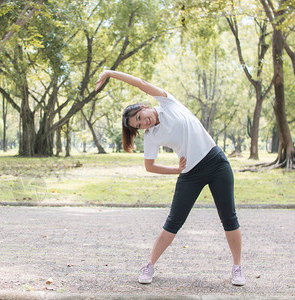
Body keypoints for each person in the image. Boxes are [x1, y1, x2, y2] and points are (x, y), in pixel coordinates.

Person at [95, 70, 246, 286]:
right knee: (173, 221)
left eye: (139, 117)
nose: (143, 123)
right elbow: (150, 166)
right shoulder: (151, 137)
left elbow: (140, 82)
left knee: (229, 217)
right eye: (138, 125)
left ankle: (237, 267)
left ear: (143, 107)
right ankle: (150, 266)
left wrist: (109, 73)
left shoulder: (167, 103)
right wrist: (175, 170)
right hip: (190, 173)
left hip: (216, 162)